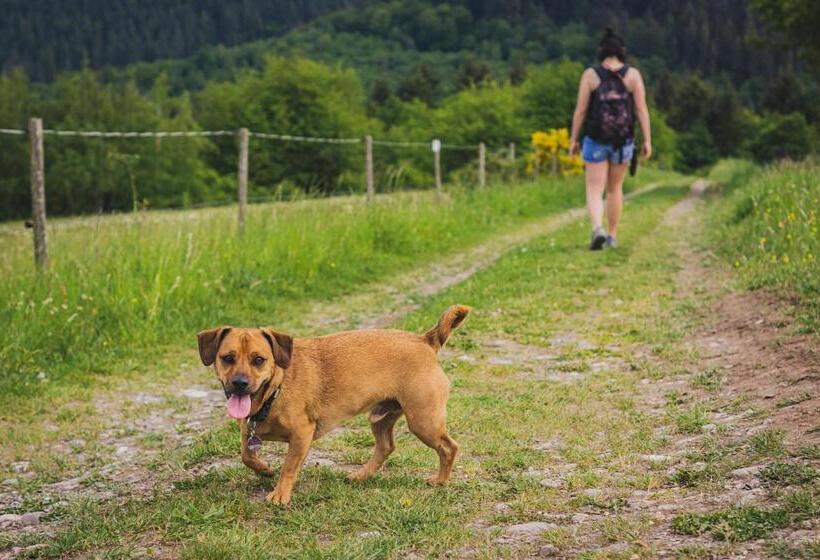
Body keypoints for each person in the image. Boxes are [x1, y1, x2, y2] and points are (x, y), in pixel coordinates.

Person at [569, 28, 651, 250]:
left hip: (596, 139)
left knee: (595, 189)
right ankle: (612, 236)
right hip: (622, 141)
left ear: (601, 51)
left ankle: (598, 229)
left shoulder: (590, 75)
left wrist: (573, 140)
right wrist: (647, 140)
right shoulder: (632, 75)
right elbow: (641, 109)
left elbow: (581, 111)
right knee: (615, 189)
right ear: (621, 52)